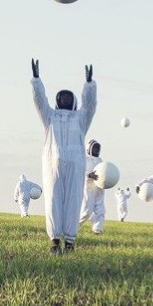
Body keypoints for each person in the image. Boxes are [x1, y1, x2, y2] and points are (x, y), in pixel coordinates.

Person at [31, 59, 97, 254]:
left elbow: (90, 104)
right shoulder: (49, 116)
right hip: (52, 164)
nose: (66, 99)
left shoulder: (81, 118)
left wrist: (89, 85)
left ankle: (69, 241)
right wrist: (36, 80)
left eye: (70, 97)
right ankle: (54, 241)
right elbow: (39, 101)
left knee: (73, 201)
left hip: (76, 165)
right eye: (63, 96)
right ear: (58, 100)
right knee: (52, 200)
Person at [79, 140, 107, 235]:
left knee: (100, 210)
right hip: (88, 189)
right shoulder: (84, 159)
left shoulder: (101, 161)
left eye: (97, 148)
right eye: (94, 148)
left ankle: (97, 230)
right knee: (87, 211)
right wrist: (89, 175)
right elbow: (80, 171)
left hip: (99, 189)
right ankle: (72, 227)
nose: (96, 150)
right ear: (89, 148)